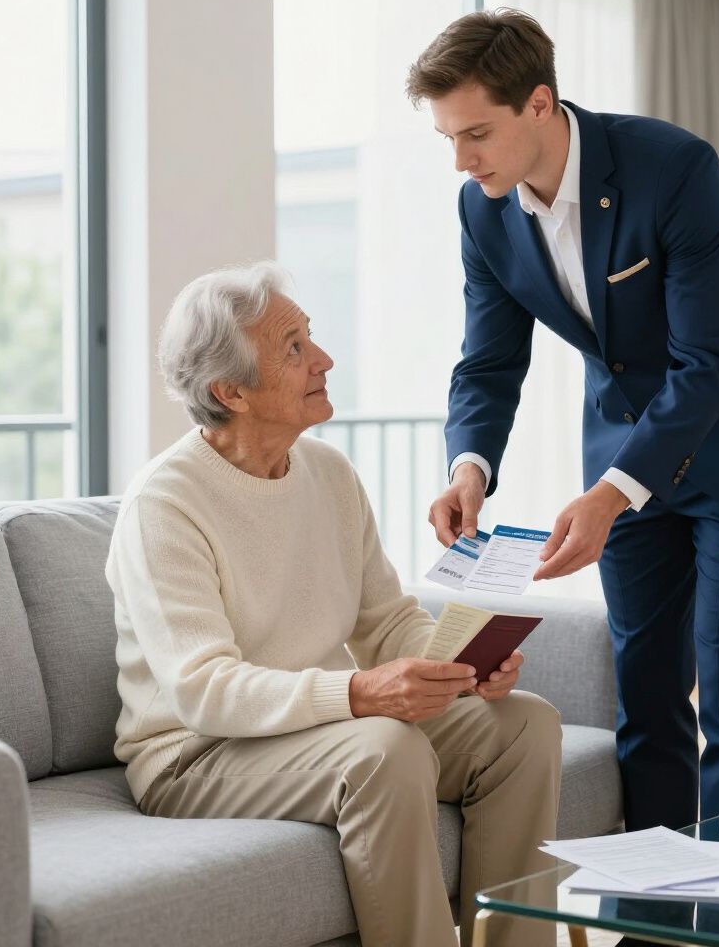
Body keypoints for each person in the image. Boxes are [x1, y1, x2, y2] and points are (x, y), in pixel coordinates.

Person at [407, 10, 719, 834]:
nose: (462, 161)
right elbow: (490, 361)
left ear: (539, 104)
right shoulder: (482, 210)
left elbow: (711, 359)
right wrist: (470, 469)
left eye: (477, 134)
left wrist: (608, 494)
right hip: (625, 447)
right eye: (448, 140)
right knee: (643, 689)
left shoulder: (673, 168)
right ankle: (656, 910)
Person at [106, 263, 562, 947]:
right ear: (230, 390)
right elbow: (204, 691)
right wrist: (358, 693)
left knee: (524, 725)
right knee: (385, 749)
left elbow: (385, 620)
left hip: (312, 727)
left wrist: (461, 666)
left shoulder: (328, 473)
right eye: (292, 348)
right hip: (196, 753)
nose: (324, 359)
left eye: (310, 337)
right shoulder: (164, 505)